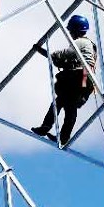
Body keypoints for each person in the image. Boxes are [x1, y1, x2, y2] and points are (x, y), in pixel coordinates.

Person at [31, 14, 98, 148]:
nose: (70, 33)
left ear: (75, 30)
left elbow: (62, 54)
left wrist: (44, 52)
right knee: (70, 106)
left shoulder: (80, 42)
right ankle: (63, 137)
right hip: (86, 81)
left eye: (71, 30)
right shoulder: (90, 46)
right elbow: (70, 61)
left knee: (60, 102)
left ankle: (46, 127)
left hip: (79, 76)